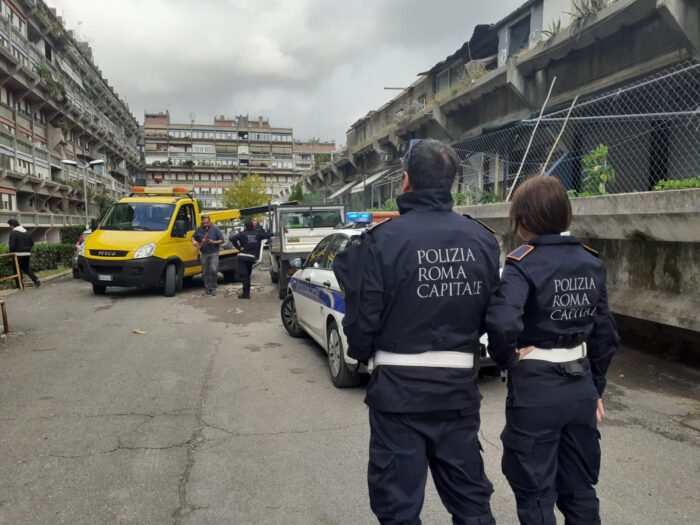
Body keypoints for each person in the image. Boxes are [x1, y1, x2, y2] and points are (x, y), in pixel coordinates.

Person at [333, 139, 500, 525]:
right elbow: (493, 312)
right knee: (471, 502)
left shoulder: (381, 242)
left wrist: (361, 352)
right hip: (458, 392)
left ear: (405, 181)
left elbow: (362, 319)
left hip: (398, 396)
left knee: (397, 507)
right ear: (452, 185)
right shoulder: (482, 241)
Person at [485, 176, 619, 525]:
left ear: (524, 219)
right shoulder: (591, 262)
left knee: (535, 492)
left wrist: (509, 359)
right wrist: (596, 390)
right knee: (579, 489)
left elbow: (501, 323)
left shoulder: (522, 263)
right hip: (580, 387)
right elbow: (605, 335)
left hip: (536, 390)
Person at [230, 219, 271, 299]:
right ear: (253, 226)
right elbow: (268, 235)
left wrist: (239, 247)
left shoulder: (242, 234)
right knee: (247, 275)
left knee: (244, 276)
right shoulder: (258, 234)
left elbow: (232, 239)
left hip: (242, 257)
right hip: (251, 258)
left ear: (245, 226)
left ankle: (246, 294)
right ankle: (246, 293)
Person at [192, 214, 224, 296]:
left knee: (213, 269)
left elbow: (222, 240)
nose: (205, 224)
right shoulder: (199, 229)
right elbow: (193, 237)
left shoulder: (215, 229)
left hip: (214, 253)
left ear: (210, 222)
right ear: (201, 222)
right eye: (204, 223)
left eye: (207, 223)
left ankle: (213, 287)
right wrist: (194, 241)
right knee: (205, 272)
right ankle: (208, 289)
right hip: (204, 253)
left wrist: (214, 242)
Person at [7, 219, 40, 287]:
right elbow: (32, 243)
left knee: (17, 269)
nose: (10, 227)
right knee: (26, 268)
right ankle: (35, 280)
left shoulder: (13, 232)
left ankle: (19, 285)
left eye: (10, 226)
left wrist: (11, 253)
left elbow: (12, 245)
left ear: (12, 225)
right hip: (27, 253)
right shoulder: (26, 232)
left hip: (17, 254)